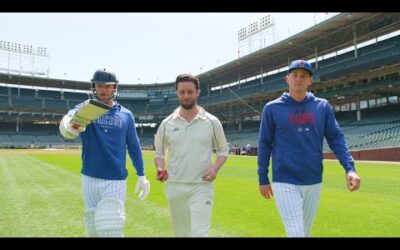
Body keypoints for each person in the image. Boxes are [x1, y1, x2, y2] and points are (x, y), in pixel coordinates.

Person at [257, 59, 361, 237]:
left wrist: (350, 169)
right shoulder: (272, 108)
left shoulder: (322, 106)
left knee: (305, 232)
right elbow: (264, 143)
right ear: (287, 78)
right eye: (295, 75)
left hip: (313, 178)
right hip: (285, 178)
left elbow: (336, 139)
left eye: (303, 76)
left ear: (310, 80)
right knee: (296, 232)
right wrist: (263, 177)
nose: (298, 79)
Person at [59, 68, 150, 237]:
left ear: (115, 88)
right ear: (94, 87)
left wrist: (141, 174)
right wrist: (68, 125)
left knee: (111, 227)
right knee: (92, 226)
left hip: (115, 178)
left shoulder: (126, 115)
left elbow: (134, 146)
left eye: (108, 86)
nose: (104, 90)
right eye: (100, 85)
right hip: (90, 176)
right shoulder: (86, 109)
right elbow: (70, 119)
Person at [153, 73, 229, 237]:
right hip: (175, 186)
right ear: (177, 93)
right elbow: (159, 153)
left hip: (202, 186)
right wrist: (160, 168)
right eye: (182, 92)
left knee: (200, 234)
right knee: (181, 234)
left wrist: (215, 168)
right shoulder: (166, 124)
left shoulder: (212, 122)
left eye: (190, 91)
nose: (186, 96)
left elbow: (223, 150)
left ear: (197, 92)